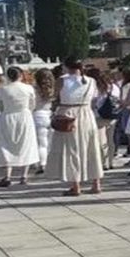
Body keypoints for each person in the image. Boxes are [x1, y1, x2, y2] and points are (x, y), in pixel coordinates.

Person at [47, 59, 104, 196]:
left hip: (68, 113)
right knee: (91, 147)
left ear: (67, 67)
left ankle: (76, 185)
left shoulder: (62, 80)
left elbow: (53, 96)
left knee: (72, 149)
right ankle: (96, 183)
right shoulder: (91, 81)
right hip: (86, 113)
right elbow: (94, 97)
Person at [0, 66, 40, 186]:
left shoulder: (2, 89)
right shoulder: (28, 88)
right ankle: (24, 175)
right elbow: (32, 104)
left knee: (6, 145)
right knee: (26, 144)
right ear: (21, 75)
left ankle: (7, 175)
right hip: (24, 116)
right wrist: (27, 111)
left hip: (8, 116)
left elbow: (0, 106)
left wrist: (7, 111)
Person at [31, 68, 55, 174]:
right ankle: (51, 162)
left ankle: (42, 163)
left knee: (41, 143)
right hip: (51, 114)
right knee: (50, 142)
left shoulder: (34, 89)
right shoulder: (54, 88)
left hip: (38, 115)